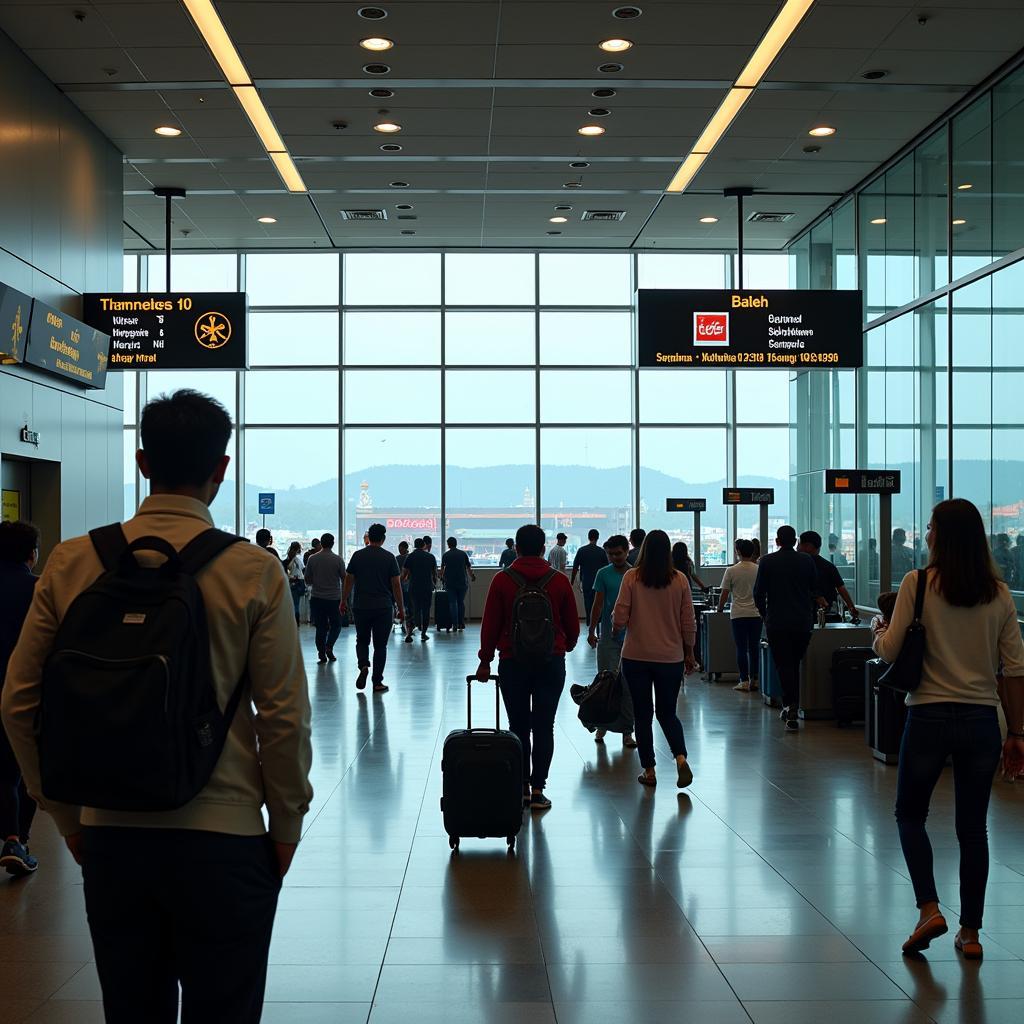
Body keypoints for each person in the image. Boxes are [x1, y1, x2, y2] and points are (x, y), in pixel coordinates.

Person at [1, 389, 313, 1021]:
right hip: (225, 840)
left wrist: (65, 817)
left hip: (113, 836)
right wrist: (285, 827)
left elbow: (17, 702)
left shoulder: (71, 561)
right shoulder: (253, 570)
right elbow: (283, 718)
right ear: (221, 469)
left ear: (142, 462)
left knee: (131, 1009)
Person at [872, 499, 1024, 960]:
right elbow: (1015, 669)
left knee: (910, 814)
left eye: (931, 526)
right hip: (982, 719)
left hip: (928, 715)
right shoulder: (998, 593)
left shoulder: (917, 585)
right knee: (973, 829)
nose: (926, 532)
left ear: (942, 535)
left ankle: (929, 909)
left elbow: (891, 650)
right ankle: (972, 933)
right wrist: (1018, 733)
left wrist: (877, 631)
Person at [475, 524, 579, 811]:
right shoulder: (558, 580)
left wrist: (485, 660)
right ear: (544, 548)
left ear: (517, 548)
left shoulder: (502, 580)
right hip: (551, 662)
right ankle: (537, 789)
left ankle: (520, 786)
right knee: (544, 726)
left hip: (513, 661)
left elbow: (490, 624)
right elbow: (572, 625)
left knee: (518, 726)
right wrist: (565, 644)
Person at [612, 529, 697, 789]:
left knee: (643, 714)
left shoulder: (631, 577)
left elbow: (619, 616)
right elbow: (688, 620)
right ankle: (680, 758)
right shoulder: (680, 579)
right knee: (667, 713)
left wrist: (618, 628)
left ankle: (649, 770)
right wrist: (689, 652)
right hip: (670, 658)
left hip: (636, 656)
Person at [753, 525, 823, 732]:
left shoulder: (767, 561)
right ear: (795, 542)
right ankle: (792, 705)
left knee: (784, 664)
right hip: (802, 622)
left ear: (777, 541)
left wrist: (765, 615)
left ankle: (790, 706)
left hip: (777, 622)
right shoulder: (807, 561)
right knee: (794, 663)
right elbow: (814, 588)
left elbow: (758, 593)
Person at [0, 521, 40, 877]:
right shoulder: (37, 591)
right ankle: (17, 840)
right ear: (32, 554)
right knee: (22, 770)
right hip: (22, 695)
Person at [342, 523, 403, 694]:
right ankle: (377, 682)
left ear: (369, 537)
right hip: (383, 607)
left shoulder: (357, 556)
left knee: (362, 640)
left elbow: (348, 580)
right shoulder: (389, 557)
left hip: (361, 606)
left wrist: (343, 600)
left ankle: (363, 665)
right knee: (380, 646)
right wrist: (401, 608)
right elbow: (396, 585)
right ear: (383, 539)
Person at [587, 535, 635, 748]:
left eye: (618, 553)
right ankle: (602, 724)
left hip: (632, 637)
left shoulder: (634, 574)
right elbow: (598, 604)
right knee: (605, 682)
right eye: (611, 554)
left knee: (627, 685)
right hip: (608, 636)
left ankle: (627, 730)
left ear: (627, 551)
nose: (615, 557)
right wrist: (591, 629)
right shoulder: (603, 574)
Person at [718, 539, 762, 693]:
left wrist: (719, 609)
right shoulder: (759, 569)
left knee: (741, 648)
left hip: (738, 614)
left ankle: (743, 680)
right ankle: (755, 680)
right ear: (753, 552)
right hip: (756, 614)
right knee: (754, 647)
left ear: (738, 552)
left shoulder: (731, 571)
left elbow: (724, 593)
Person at [798, 530, 859, 621]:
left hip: (801, 613)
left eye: (799, 544)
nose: (797, 547)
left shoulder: (797, 565)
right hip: (826, 613)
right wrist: (851, 608)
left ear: (808, 546)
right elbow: (841, 588)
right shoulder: (828, 566)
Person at [304, 531, 346, 663]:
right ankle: (329, 646)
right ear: (333, 544)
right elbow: (344, 578)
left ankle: (321, 652)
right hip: (334, 598)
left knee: (321, 627)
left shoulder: (312, 558)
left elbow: (307, 579)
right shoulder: (338, 559)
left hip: (317, 598)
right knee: (336, 625)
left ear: (321, 543)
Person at [571, 528, 608, 629]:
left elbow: (575, 567)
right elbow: (607, 568)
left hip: (586, 581)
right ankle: (598, 622)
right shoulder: (601, 551)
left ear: (588, 537)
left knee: (588, 602)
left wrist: (572, 581)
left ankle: (589, 622)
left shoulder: (582, 550)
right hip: (599, 582)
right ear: (597, 538)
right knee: (599, 603)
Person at [403, 537, 437, 642]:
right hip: (427, 587)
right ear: (423, 545)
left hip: (414, 587)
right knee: (426, 609)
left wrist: (402, 581)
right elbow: (434, 573)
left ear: (414, 545)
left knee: (415, 608)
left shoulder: (410, 557)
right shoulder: (430, 557)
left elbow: (405, 574)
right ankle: (423, 633)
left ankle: (417, 625)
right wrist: (434, 583)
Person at [440, 536, 475, 632]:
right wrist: (472, 576)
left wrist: (441, 577)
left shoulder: (446, 555)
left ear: (448, 544)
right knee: (460, 602)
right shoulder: (463, 554)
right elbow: (468, 567)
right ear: (456, 543)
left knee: (452, 603)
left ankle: (454, 624)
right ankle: (461, 623)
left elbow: (442, 569)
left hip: (450, 582)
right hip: (462, 582)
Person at [283, 541, 306, 626]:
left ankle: (293, 621)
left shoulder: (287, 560)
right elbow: (302, 571)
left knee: (292, 604)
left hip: (291, 583)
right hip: (299, 582)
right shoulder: (298, 560)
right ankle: (296, 622)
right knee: (296, 604)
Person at [397, 540, 413, 639]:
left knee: (401, 605)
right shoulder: (411, 557)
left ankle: (404, 623)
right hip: (409, 585)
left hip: (400, 585)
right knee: (409, 606)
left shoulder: (397, 559)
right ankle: (409, 625)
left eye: (400, 548)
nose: (399, 550)